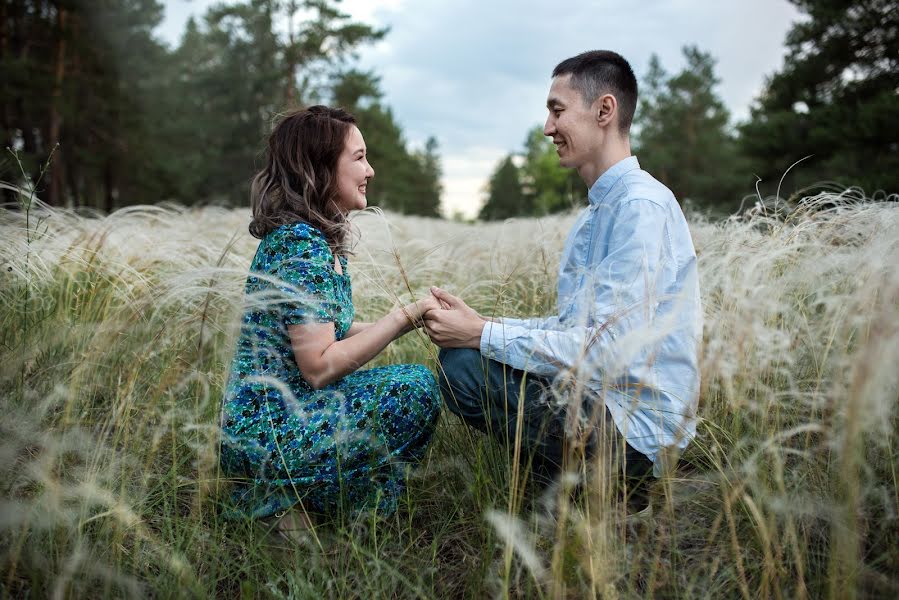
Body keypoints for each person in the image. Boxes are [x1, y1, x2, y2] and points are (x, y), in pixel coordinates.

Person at [424, 51, 702, 496]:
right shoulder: (594, 217)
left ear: (604, 110)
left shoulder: (640, 208)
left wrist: (479, 335)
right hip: (599, 398)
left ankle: (615, 485)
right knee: (463, 359)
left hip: (637, 428)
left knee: (465, 369)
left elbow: (608, 350)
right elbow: (574, 330)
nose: (548, 128)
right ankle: (568, 478)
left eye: (558, 111)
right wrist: (481, 326)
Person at [220, 106, 441, 527]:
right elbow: (319, 366)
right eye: (358, 158)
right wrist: (398, 319)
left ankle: (312, 506)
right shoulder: (299, 245)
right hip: (269, 431)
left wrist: (412, 320)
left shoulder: (316, 241)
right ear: (320, 168)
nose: (370, 170)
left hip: (290, 414)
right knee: (414, 388)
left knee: (409, 381)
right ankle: (289, 505)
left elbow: (327, 332)